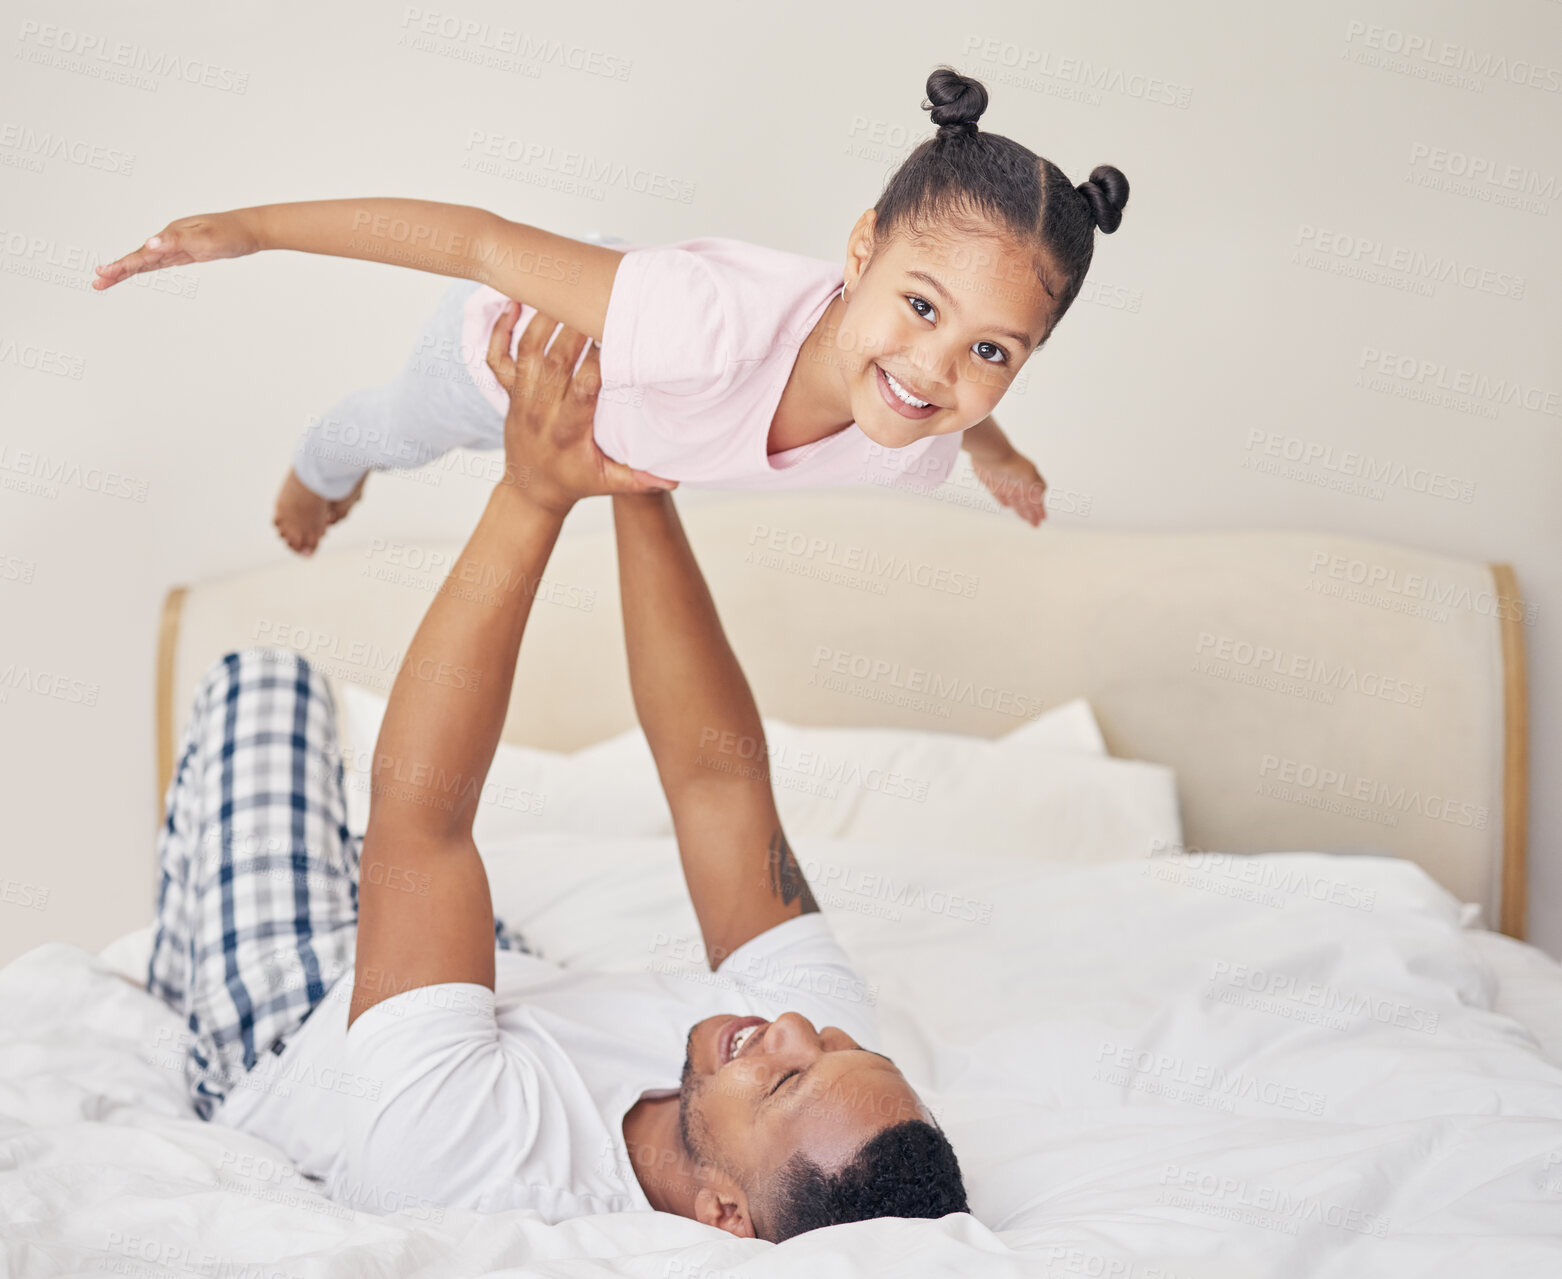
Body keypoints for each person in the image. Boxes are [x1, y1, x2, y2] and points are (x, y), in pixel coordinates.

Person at [145, 298, 970, 1241]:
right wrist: (637, 469)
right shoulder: (822, 1065)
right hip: (501, 992)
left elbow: (425, 819)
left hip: (295, 1025)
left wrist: (534, 493)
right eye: (833, 1042)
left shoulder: (476, 1165)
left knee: (265, 683)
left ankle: (190, 1014)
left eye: (784, 1075)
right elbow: (718, 783)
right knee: (395, 869)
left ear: (725, 1215)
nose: (790, 1026)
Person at [93, 66, 1128, 554]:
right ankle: (319, 468)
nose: (938, 367)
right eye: (917, 303)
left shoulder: (919, 438)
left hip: (637, 359)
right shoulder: (707, 321)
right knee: (391, 431)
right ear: (860, 249)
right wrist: (250, 227)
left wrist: (991, 454)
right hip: (504, 347)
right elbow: (478, 242)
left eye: (991, 349)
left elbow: (936, 383)